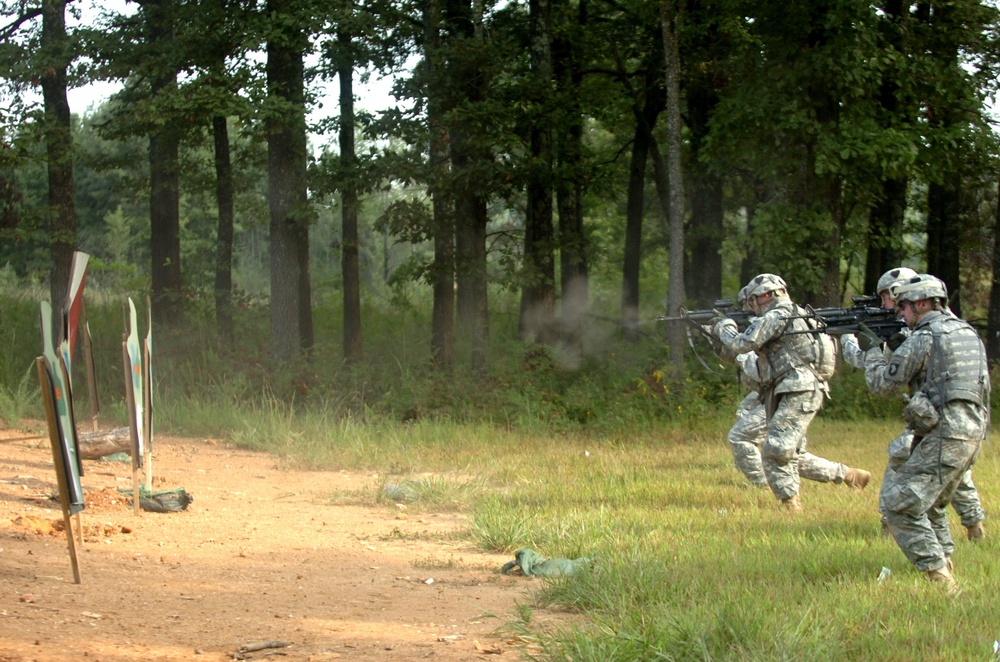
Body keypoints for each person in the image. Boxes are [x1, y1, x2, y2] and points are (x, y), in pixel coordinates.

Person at [862, 274, 990, 594]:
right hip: (973, 434)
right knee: (931, 507)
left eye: (904, 306)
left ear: (921, 304)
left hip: (946, 433)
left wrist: (872, 350)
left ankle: (942, 583)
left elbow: (882, 384)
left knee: (900, 506)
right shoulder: (967, 332)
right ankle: (945, 564)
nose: (901, 314)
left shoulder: (925, 336)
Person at [713, 274, 870, 510]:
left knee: (775, 448)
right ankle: (850, 476)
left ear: (767, 295)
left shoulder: (779, 315)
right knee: (791, 453)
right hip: (790, 389)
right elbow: (749, 356)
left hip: (796, 389)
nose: (751, 306)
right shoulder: (797, 314)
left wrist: (724, 328)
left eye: (754, 300)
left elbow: (743, 346)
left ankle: (789, 506)